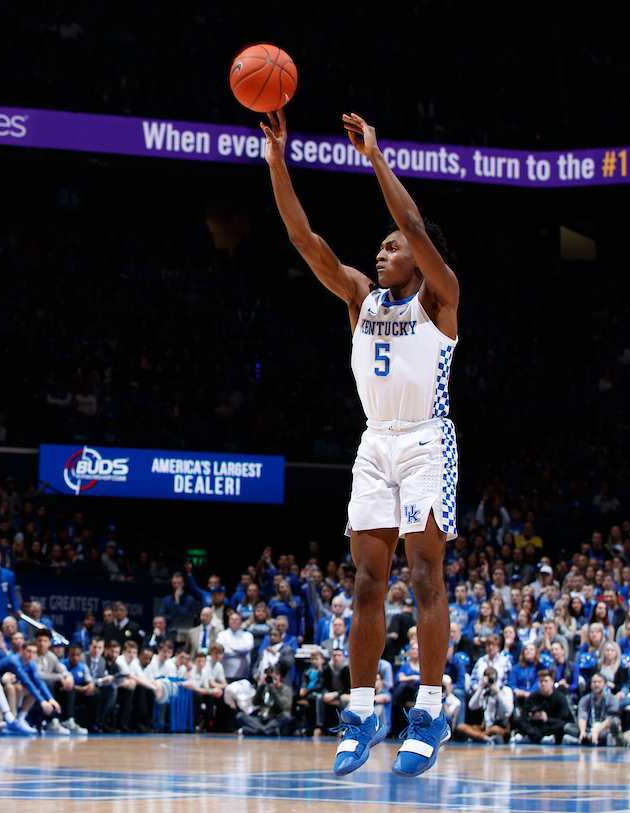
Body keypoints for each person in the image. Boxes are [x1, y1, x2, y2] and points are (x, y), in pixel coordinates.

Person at [262, 107, 459, 777]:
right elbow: (302, 237)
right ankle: (363, 710)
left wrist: (376, 158)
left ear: (419, 258)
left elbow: (414, 227)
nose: (382, 252)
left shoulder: (440, 299)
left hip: (426, 441)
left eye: (392, 247)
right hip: (375, 444)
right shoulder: (360, 297)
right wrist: (278, 163)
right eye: (380, 246)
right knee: (368, 580)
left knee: (424, 574)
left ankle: (429, 710)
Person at [512, 670, 570, 744]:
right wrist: (533, 716)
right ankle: (540, 738)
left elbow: (563, 718)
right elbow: (525, 715)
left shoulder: (560, 697)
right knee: (518, 720)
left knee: (561, 725)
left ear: (552, 682)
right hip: (536, 726)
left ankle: (536, 738)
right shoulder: (533, 697)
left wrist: (546, 719)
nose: (543, 684)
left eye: (546, 681)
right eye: (541, 681)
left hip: (550, 725)